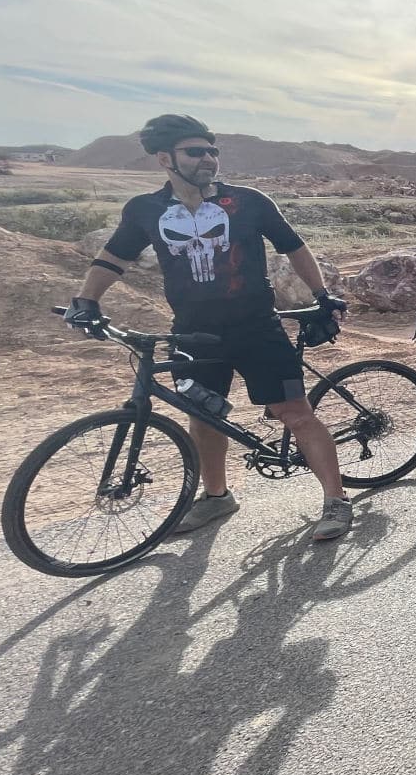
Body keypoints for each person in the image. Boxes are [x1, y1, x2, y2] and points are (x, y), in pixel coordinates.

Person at [63, 113, 353, 540]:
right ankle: (216, 497)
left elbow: (294, 247)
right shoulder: (146, 209)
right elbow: (113, 259)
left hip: (256, 327)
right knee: (203, 416)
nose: (209, 159)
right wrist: (86, 300)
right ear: (165, 158)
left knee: (295, 413)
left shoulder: (249, 201)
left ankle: (336, 501)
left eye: (213, 151)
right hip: (192, 331)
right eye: (196, 152)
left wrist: (322, 295)